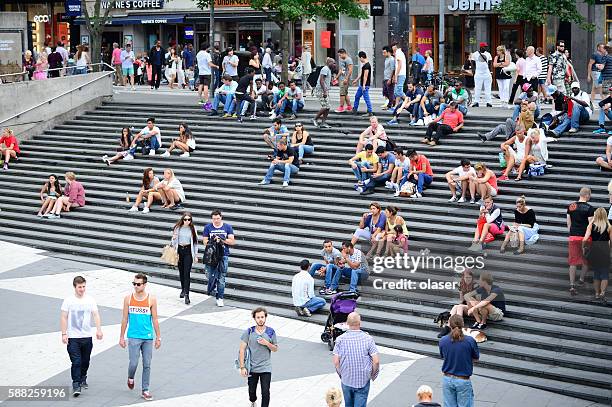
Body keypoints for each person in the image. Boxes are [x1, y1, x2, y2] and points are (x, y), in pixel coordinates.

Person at [119, 273, 161, 401]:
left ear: (144, 285)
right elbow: (125, 318)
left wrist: (159, 337)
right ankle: (130, 377)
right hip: (133, 336)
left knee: (147, 364)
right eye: (134, 284)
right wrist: (121, 337)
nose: (136, 286)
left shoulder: (151, 299)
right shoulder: (128, 299)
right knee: (133, 363)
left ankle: (145, 390)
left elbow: (154, 319)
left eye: (138, 284)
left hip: (147, 337)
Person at [61, 276, 103, 397]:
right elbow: (63, 317)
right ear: (75, 287)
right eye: (80, 287)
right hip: (73, 337)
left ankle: (83, 376)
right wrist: (64, 333)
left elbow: (96, 315)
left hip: (86, 336)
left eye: (84, 286)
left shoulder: (90, 300)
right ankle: (76, 383)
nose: (82, 289)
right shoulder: (68, 300)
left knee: (85, 361)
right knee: (76, 361)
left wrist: (99, 330)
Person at [332, 312, 379, 406]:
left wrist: (342, 374)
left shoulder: (340, 340)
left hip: (346, 379)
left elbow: (336, 361)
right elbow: (376, 361)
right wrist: (372, 375)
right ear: (359, 323)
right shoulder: (368, 339)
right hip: (363, 380)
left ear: (347, 323)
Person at [239, 308, 278, 407]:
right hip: (252, 368)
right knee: (252, 391)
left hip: (266, 367)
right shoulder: (249, 332)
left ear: (265, 318)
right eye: (258, 317)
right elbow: (242, 349)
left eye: (262, 317)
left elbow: (275, 349)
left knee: (265, 392)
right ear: (254, 318)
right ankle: (253, 401)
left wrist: (266, 343)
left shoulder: (270, 332)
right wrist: (242, 367)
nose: (260, 319)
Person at [439, 315, 478, 407]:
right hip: (463, 379)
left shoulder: (443, 340)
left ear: (449, 325)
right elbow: (476, 358)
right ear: (463, 324)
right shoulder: (470, 341)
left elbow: (443, 356)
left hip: (447, 378)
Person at [202, 210, 236, 307]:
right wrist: (213, 240)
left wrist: (221, 239)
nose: (216, 220)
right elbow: (204, 241)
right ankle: (214, 284)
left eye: (217, 218)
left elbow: (232, 241)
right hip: (211, 255)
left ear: (221, 217)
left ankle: (220, 297)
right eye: (214, 219)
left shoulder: (227, 227)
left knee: (222, 277)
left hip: (223, 255)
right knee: (209, 274)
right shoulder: (208, 227)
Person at [567, 187, 595, 295]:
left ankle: (572, 285)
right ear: (587, 195)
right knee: (585, 260)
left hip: (573, 236)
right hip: (585, 237)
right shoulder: (590, 208)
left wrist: (571, 232)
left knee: (573, 262)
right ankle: (581, 280)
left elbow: (568, 223)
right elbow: (590, 225)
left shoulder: (571, 206)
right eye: (590, 195)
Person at [583, 208, 611, 302]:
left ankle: (596, 294)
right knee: (605, 274)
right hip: (604, 251)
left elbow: (585, 238)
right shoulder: (609, 226)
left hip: (594, 251)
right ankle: (602, 293)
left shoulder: (591, 225)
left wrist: (583, 248)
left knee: (596, 274)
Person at [171, 212, 198, 304]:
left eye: (189, 220)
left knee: (187, 273)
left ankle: (187, 294)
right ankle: (183, 289)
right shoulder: (177, 228)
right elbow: (173, 242)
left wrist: (196, 255)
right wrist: (173, 238)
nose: (187, 221)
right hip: (179, 251)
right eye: (185, 219)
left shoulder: (192, 229)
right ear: (182, 220)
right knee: (181, 272)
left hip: (188, 252)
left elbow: (195, 243)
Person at [313, 58, 335, 129]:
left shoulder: (328, 69)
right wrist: (325, 91)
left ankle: (323, 122)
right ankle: (315, 119)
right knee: (325, 106)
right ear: (329, 62)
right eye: (333, 63)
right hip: (321, 90)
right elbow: (321, 81)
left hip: (325, 90)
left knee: (328, 107)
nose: (334, 65)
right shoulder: (325, 69)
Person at [470, 42, 493, 107]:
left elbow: (490, 64)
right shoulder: (475, 54)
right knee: (477, 88)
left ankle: (489, 102)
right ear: (480, 47)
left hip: (487, 73)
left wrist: (491, 72)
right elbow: (472, 64)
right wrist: (474, 72)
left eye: (486, 46)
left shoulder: (488, 54)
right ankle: (476, 102)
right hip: (478, 73)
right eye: (484, 46)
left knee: (488, 88)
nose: (485, 48)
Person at [351, 51, 373, 116]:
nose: (359, 60)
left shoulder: (367, 65)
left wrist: (363, 85)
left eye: (359, 58)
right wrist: (356, 80)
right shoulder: (364, 65)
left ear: (361, 57)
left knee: (366, 98)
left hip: (365, 85)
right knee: (357, 96)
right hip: (362, 85)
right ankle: (355, 109)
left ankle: (370, 111)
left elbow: (365, 76)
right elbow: (361, 74)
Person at [196, 43, 217, 109]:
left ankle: (200, 99)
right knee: (206, 86)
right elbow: (210, 64)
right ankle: (206, 100)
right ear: (207, 48)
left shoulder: (198, 54)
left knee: (200, 85)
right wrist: (216, 66)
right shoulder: (207, 54)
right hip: (207, 72)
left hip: (200, 72)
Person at [392, 42, 407, 107]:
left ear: (395, 47)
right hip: (400, 74)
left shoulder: (398, 53)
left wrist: (395, 76)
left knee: (399, 91)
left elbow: (399, 65)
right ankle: (397, 105)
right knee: (396, 91)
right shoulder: (399, 53)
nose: (392, 48)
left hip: (400, 74)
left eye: (392, 46)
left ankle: (408, 100)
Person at [382, 46, 396, 110]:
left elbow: (393, 69)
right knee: (384, 92)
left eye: (384, 52)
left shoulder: (392, 59)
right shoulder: (386, 59)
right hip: (385, 77)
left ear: (388, 52)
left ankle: (389, 105)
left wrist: (391, 78)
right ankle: (393, 100)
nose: (383, 54)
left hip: (389, 78)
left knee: (390, 92)